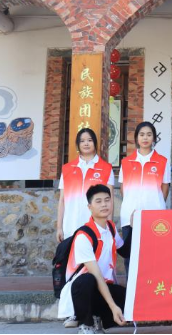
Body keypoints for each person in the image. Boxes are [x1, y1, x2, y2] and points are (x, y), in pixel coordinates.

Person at [57, 128, 114, 329]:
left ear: (95, 143)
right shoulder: (67, 168)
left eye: (90, 140)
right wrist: (59, 226)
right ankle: (74, 313)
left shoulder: (105, 168)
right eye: (82, 141)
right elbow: (62, 200)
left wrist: (108, 225)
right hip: (72, 227)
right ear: (78, 145)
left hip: (95, 228)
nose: (86, 143)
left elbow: (109, 199)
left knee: (98, 269)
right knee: (73, 272)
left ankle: (97, 313)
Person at [58, 184, 127, 334]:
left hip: (101, 286)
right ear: (89, 207)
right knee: (88, 280)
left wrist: (137, 225)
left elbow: (126, 252)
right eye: (98, 201)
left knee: (125, 296)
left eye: (107, 200)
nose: (104, 204)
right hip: (81, 289)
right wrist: (113, 306)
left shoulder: (110, 228)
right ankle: (85, 323)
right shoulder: (84, 235)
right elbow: (96, 275)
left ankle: (98, 318)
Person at [118, 121, 170, 272]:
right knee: (130, 257)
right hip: (129, 216)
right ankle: (131, 287)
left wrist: (155, 203)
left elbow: (165, 188)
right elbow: (123, 188)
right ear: (136, 138)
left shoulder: (162, 161)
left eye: (149, 134)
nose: (145, 138)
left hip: (155, 215)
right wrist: (132, 203)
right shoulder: (126, 162)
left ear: (154, 138)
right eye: (141, 135)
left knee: (154, 255)